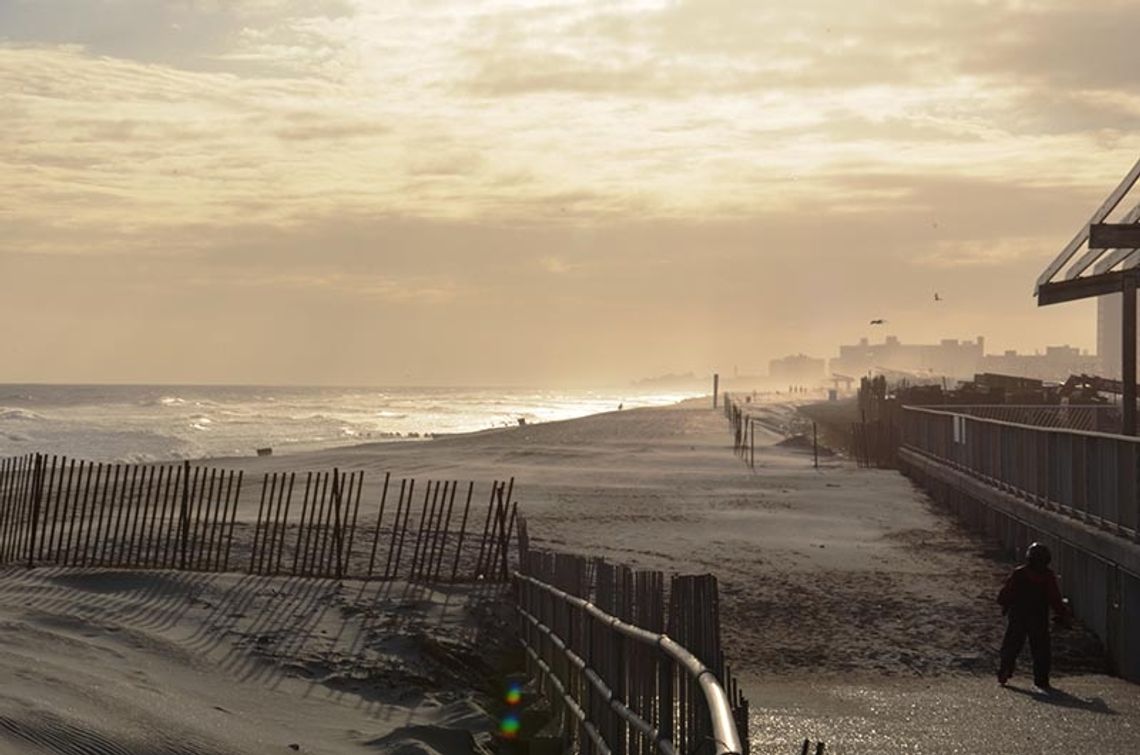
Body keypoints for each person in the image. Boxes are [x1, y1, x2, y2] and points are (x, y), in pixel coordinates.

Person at [997, 542, 1070, 689]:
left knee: (1011, 645)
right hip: (1038, 617)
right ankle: (1041, 680)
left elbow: (1007, 592)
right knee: (1041, 649)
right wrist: (1063, 614)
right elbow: (1054, 597)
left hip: (1018, 614)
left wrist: (1004, 603)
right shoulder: (1048, 577)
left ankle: (1005, 670)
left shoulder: (1020, 573)